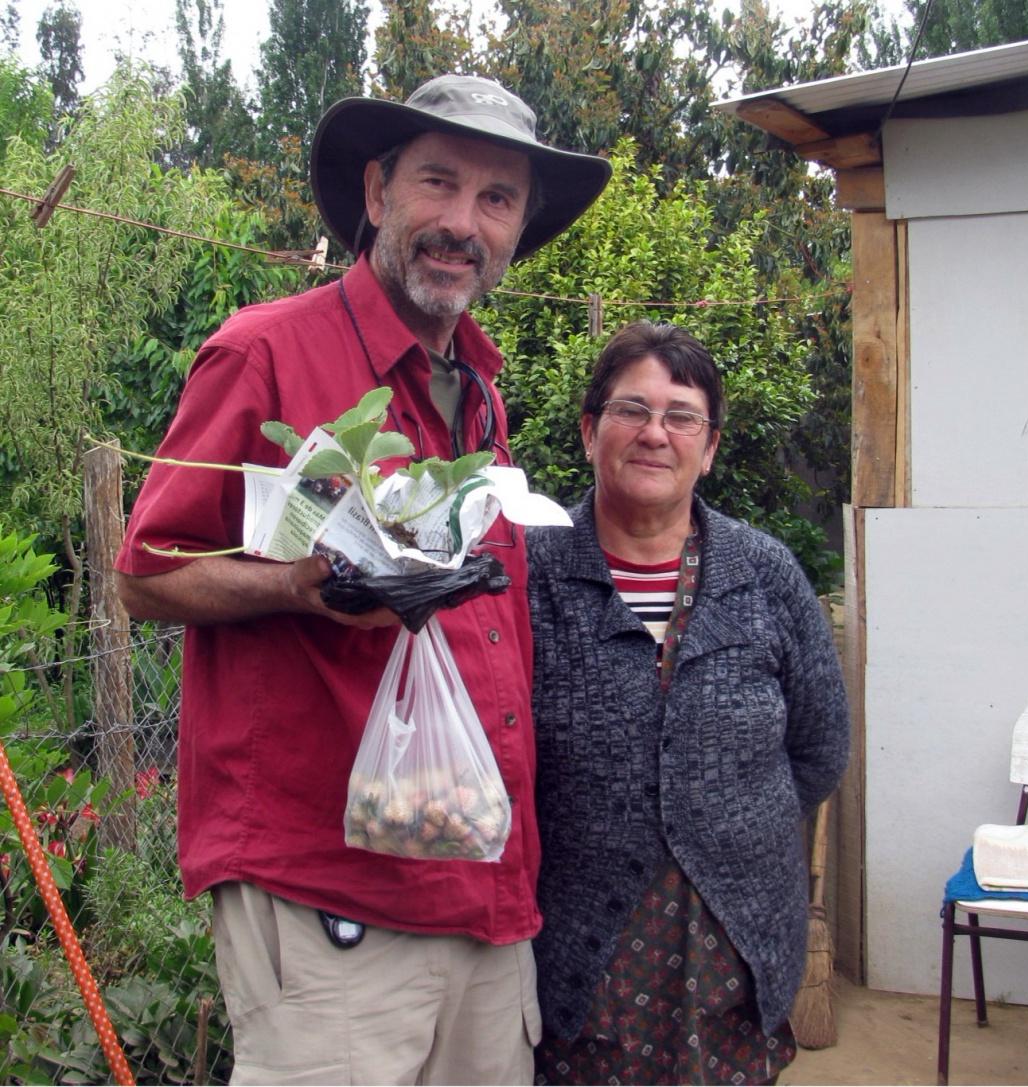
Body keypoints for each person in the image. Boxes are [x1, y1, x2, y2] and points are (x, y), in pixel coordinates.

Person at [115, 75, 611, 1086]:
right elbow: (147, 572)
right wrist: (299, 584)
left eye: (497, 198)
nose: (462, 223)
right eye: (439, 182)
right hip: (328, 895)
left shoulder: (478, 391)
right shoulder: (268, 353)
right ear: (378, 193)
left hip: (479, 883)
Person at [526, 321, 851, 1085]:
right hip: (576, 936)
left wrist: (725, 815)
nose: (654, 433)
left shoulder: (764, 574)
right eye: (631, 410)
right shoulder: (532, 571)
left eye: (681, 416)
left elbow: (820, 745)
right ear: (588, 430)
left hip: (732, 942)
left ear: (708, 448)